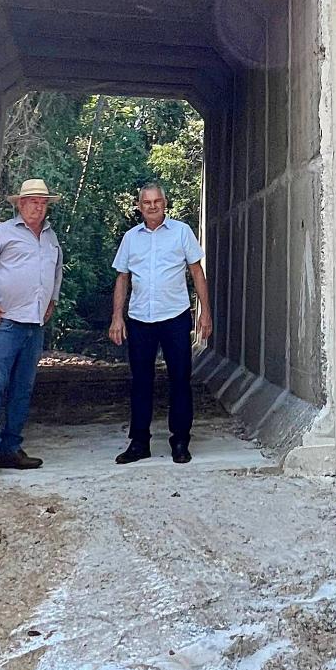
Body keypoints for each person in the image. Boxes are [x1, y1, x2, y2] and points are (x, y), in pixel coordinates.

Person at [0, 178, 61, 486]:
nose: (38, 206)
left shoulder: (50, 237)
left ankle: (11, 449)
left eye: (43, 202)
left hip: (34, 326)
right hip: (4, 323)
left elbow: (55, 271)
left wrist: (52, 300)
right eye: (32, 201)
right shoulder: (1, 233)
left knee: (23, 389)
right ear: (19, 204)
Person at [109, 182, 212, 465]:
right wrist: (117, 317)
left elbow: (196, 272)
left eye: (156, 201)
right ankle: (139, 442)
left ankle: (180, 441)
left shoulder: (181, 232)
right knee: (141, 381)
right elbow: (122, 278)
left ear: (165, 204)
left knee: (180, 379)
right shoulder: (131, 238)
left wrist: (205, 312)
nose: (152, 206)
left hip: (175, 317)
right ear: (139, 206)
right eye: (146, 202)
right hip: (140, 318)